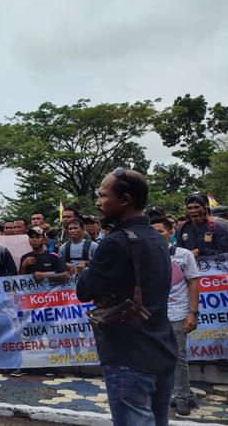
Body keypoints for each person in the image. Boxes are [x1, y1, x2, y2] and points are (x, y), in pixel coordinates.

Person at [76, 167, 176, 426]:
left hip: (129, 357)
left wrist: (86, 269)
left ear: (125, 200)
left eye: (102, 195)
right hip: (161, 349)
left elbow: (84, 291)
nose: (98, 202)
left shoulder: (115, 243)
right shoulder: (156, 238)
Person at [151, 216, 200, 416]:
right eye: (152, 231)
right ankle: (167, 394)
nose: (156, 235)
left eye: (160, 231)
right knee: (157, 356)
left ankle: (182, 396)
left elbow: (193, 282)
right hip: (154, 315)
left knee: (179, 356)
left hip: (179, 313)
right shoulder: (146, 255)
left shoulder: (184, 255)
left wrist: (193, 312)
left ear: (171, 232)